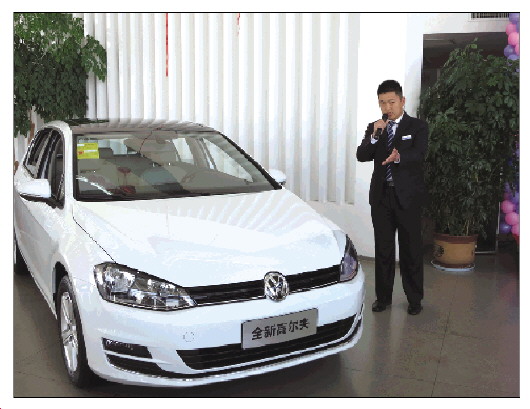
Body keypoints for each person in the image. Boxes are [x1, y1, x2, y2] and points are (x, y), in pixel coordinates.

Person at [356, 80, 428, 315]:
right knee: (383, 250)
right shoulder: (375, 127)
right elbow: (362, 155)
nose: (387, 107)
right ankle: (383, 298)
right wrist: (375, 136)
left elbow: (419, 154)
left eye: (391, 102)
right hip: (381, 197)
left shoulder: (417, 126)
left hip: (407, 198)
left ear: (402, 101)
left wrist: (399, 157)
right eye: (382, 103)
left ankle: (414, 299)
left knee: (410, 250)